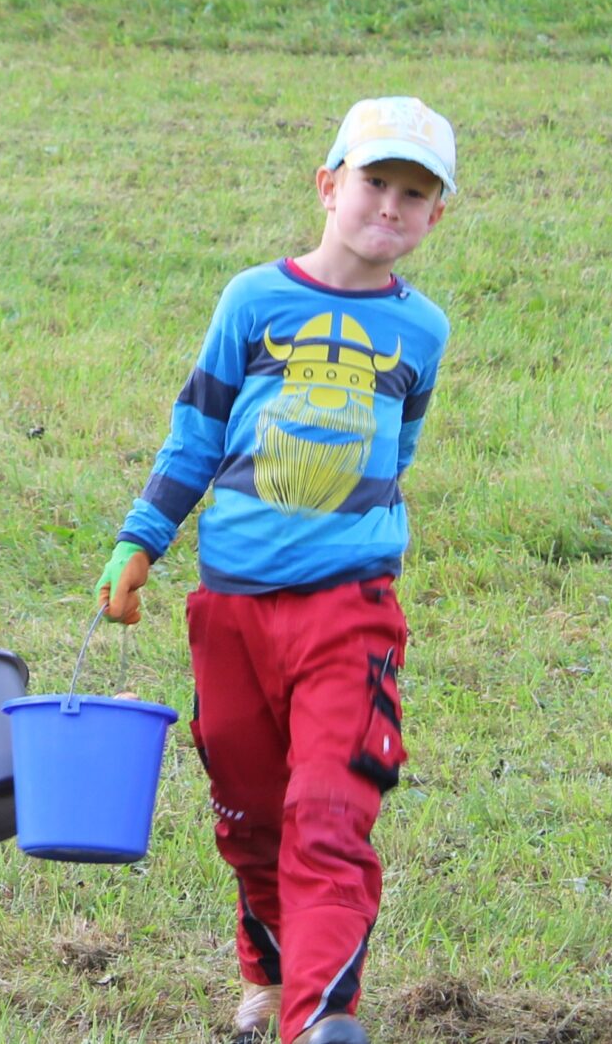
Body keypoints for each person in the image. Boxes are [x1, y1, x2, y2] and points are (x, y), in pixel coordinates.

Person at [96, 97, 456, 1044]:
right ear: (329, 184)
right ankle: (268, 973)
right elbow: (197, 435)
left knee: (328, 812)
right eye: (375, 181)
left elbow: (397, 450)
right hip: (232, 612)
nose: (391, 204)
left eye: (415, 193)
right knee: (253, 814)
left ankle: (322, 1016)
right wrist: (141, 542)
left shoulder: (424, 332)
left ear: (436, 216)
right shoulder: (253, 300)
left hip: (351, 614)